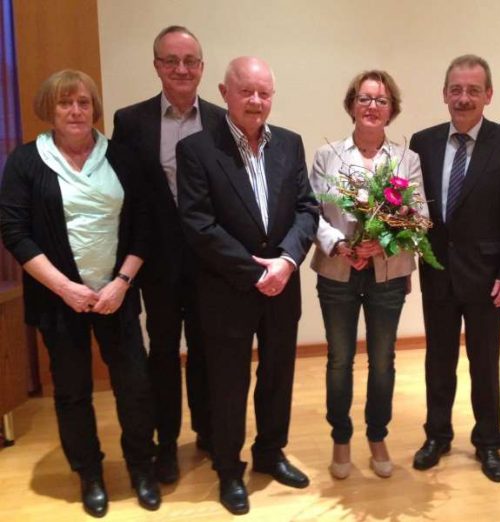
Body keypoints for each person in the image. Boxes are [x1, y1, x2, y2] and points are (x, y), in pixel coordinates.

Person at [0, 70, 160, 517]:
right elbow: (14, 231)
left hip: (116, 295)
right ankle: (89, 473)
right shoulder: (27, 161)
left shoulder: (121, 158)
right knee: (72, 391)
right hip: (59, 299)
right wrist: (65, 287)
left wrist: (122, 282)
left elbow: (145, 227)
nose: (76, 111)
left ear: (95, 108)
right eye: (66, 103)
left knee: (135, 386)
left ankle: (141, 468)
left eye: (84, 102)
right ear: (49, 109)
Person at [176, 56, 318, 515]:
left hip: (283, 286)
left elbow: (306, 210)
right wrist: (257, 271)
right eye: (247, 91)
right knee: (228, 383)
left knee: (277, 376)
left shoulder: (290, 144)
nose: (256, 101)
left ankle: (270, 453)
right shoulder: (197, 149)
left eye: (264, 93)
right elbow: (199, 225)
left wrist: (288, 261)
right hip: (227, 290)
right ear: (224, 93)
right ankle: (228, 468)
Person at [409, 55, 500, 482]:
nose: (464, 99)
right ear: (445, 93)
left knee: (485, 363)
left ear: (489, 95)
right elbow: (412, 209)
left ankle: (486, 442)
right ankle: (437, 435)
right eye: (456, 90)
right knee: (438, 360)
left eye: (473, 90)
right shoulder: (421, 142)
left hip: (489, 278)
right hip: (438, 272)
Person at [112, 25, 226, 484]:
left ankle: (208, 432)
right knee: (162, 351)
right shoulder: (130, 120)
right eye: (171, 60)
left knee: (206, 348)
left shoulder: (222, 120)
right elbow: (124, 194)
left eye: (190, 61)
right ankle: (165, 442)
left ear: (201, 67)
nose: (181, 69)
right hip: (155, 261)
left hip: (209, 261)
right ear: (156, 65)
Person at [309, 70, 427, 480]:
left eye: (381, 100)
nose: (372, 106)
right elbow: (313, 214)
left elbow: (418, 217)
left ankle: (377, 434)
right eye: (364, 98)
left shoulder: (406, 159)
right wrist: (341, 245)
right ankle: (341, 437)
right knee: (340, 360)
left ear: (391, 108)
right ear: (351, 104)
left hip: (387, 274)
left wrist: (386, 242)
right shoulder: (328, 156)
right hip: (338, 271)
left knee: (383, 360)